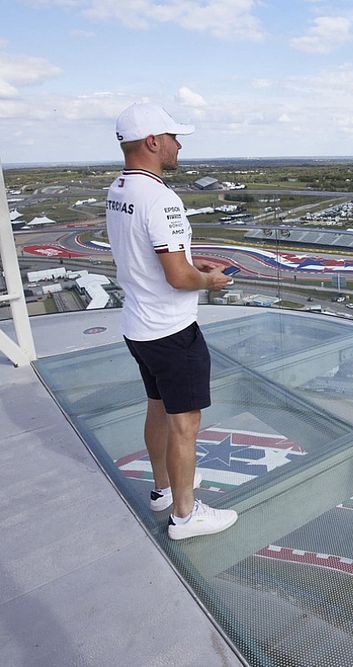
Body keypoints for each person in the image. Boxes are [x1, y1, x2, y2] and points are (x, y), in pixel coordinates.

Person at [105, 102, 238, 540]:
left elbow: (148, 258)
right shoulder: (162, 199)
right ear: (152, 142)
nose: (179, 145)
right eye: (173, 137)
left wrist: (188, 266)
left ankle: (163, 488)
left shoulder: (119, 190)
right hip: (171, 330)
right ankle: (185, 515)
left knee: (158, 408)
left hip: (139, 326)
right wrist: (209, 280)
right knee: (185, 423)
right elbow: (178, 278)